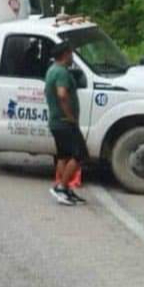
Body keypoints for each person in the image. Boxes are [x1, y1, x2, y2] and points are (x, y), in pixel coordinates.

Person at [44, 42, 88, 206]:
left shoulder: (52, 70)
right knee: (80, 154)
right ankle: (62, 187)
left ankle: (64, 188)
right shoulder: (61, 73)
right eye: (71, 54)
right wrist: (70, 117)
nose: (73, 57)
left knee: (64, 155)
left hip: (56, 121)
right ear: (65, 54)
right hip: (64, 122)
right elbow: (62, 95)